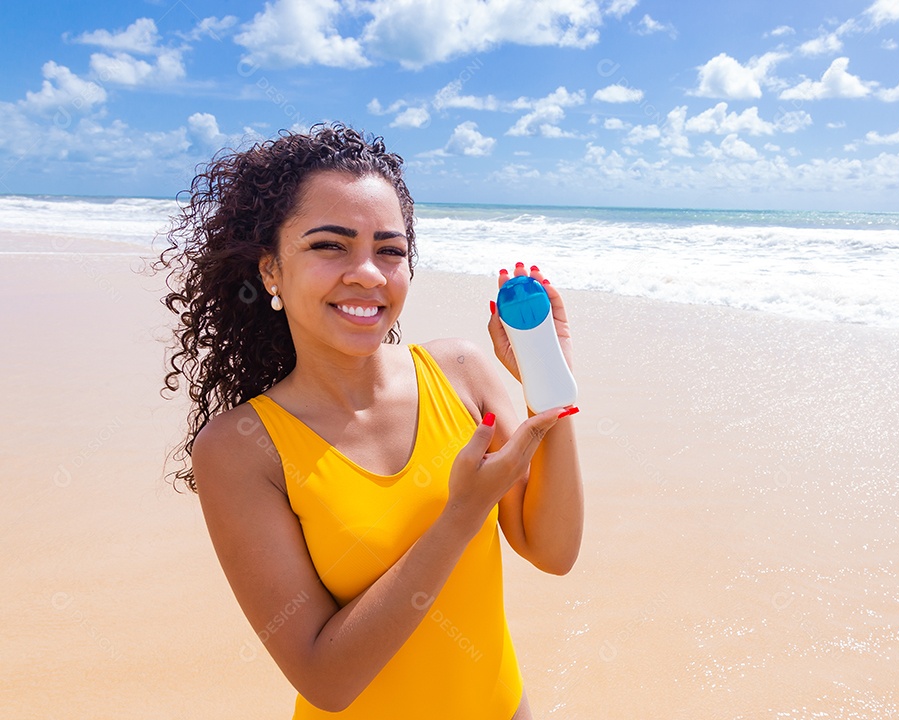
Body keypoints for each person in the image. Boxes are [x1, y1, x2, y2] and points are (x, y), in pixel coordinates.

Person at [154, 123, 584, 719]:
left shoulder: (459, 373)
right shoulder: (242, 448)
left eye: (390, 249)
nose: (369, 273)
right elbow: (326, 680)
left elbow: (553, 550)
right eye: (330, 245)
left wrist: (546, 382)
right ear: (271, 270)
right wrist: (460, 514)